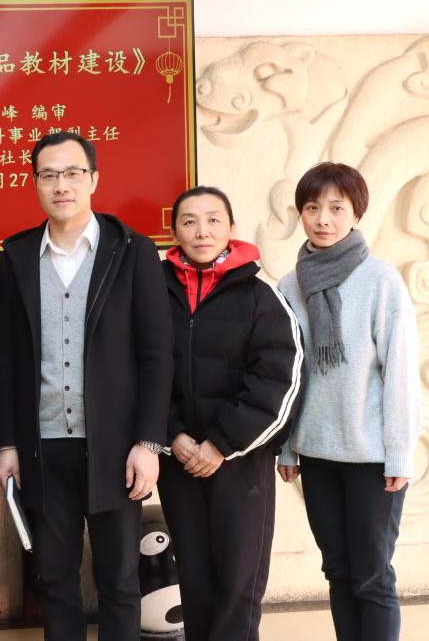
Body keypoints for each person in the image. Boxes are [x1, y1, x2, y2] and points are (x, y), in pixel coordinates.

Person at [0, 131, 173, 640]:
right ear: (35, 183)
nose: (61, 185)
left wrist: (148, 442)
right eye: (49, 175)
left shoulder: (132, 251)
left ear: (94, 179)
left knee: (119, 580)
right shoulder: (18, 256)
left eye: (72, 173)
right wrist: (7, 443)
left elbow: (157, 354)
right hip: (42, 447)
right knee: (54, 579)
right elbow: (3, 358)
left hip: (115, 448)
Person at [277, 162, 421, 641]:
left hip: (372, 458)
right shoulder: (290, 284)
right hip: (317, 454)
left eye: (337, 208)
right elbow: (287, 374)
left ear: (356, 214)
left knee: (372, 574)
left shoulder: (381, 280)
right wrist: (287, 446)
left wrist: (399, 453)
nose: (323, 219)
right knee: (337, 571)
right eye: (312, 207)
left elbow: (400, 373)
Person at [158, 186, 303, 641]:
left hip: (240, 463)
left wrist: (221, 444)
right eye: (189, 221)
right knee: (194, 578)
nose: (202, 231)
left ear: (231, 228)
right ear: (175, 231)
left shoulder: (261, 296)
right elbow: (140, 371)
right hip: (178, 459)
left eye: (213, 220)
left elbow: (279, 380)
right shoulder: (154, 293)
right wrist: (172, 435)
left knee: (238, 582)